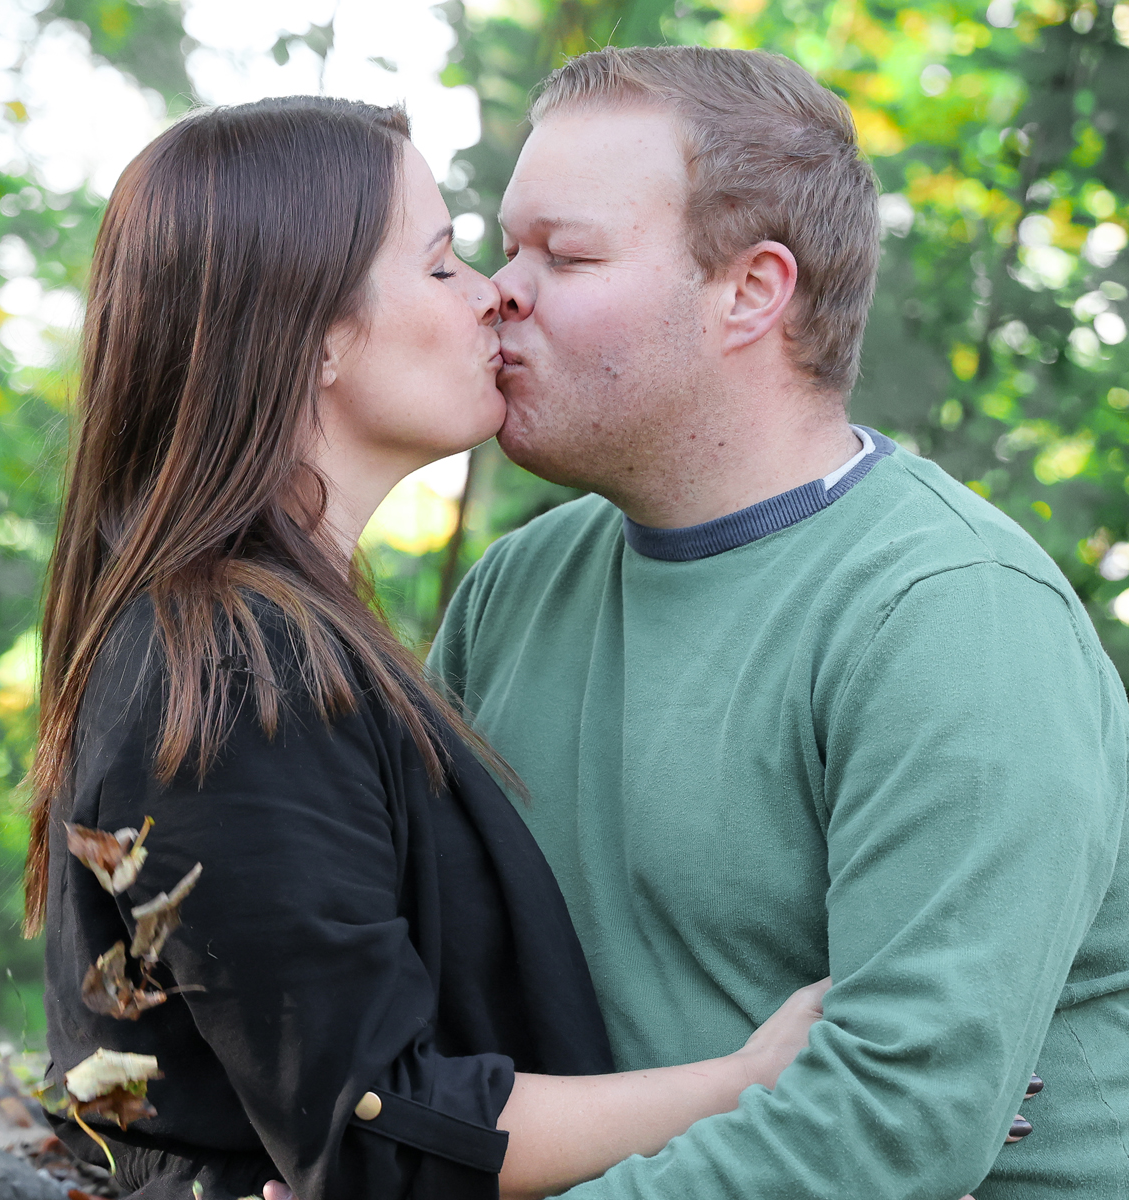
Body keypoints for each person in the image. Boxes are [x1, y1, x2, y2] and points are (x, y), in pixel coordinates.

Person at [30, 95, 831, 1200]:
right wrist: (747, 1082)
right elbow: (383, 1138)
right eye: (443, 262)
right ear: (315, 338)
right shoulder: (231, 672)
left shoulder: (271, 635)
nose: (491, 292)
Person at [427, 46, 1129, 1198]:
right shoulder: (517, 588)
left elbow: (893, 1126)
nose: (503, 288)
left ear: (751, 292)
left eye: (567, 253)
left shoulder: (952, 617)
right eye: (509, 246)